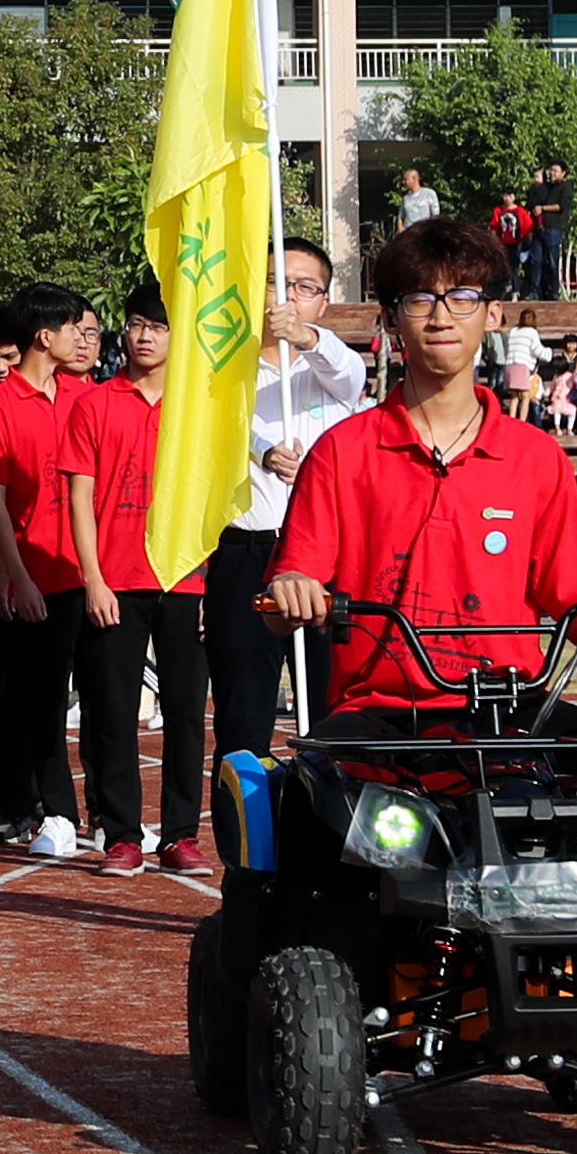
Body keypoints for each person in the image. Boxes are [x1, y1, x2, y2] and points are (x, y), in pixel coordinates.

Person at [267, 217, 577, 783]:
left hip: (514, 707)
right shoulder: (341, 452)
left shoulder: (535, 457)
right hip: (383, 715)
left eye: (463, 297)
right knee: (318, 789)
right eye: (420, 299)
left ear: (493, 314)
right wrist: (291, 589)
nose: (442, 317)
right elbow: (286, 595)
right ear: (390, 319)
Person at [199, 239, 365, 782]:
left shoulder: (333, 370)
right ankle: (245, 827)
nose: (288, 297)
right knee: (243, 719)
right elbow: (217, 429)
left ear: (323, 301)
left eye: (304, 287)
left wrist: (307, 337)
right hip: (247, 553)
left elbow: (347, 372)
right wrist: (263, 451)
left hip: (324, 560)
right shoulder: (224, 371)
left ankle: (334, 819)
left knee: (333, 711)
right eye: (276, 283)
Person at [63, 278, 211, 876]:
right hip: (116, 580)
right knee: (112, 711)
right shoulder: (95, 404)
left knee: (186, 713)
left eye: (159, 327)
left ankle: (180, 835)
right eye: (136, 325)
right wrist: (93, 579)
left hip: (185, 579)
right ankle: (121, 834)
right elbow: (79, 496)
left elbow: (214, 501)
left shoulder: (200, 407)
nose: (144, 337)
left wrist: (210, 582)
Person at [0, 288, 97, 854]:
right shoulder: (0, 404)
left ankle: (91, 813)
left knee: (89, 697)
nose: (81, 339)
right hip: (35, 572)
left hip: (86, 571)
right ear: (45, 336)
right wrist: (14, 577)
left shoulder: (83, 396)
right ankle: (35, 808)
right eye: (72, 329)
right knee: (32, 698)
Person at [527, 162, 571, 301]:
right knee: (536, 260)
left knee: (552, 261)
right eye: (551, 170)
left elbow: (562, 206)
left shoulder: (566, 187)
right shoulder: (548, 187)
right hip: (540, 227)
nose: (552, 173)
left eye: (555, 171)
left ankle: (553, 291)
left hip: (554, 227)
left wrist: (543, 208)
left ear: (563, 172)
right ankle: (535, 291)